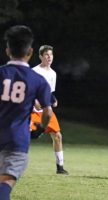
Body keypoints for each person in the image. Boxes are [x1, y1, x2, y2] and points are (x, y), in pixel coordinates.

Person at [0, 25, 52, 200]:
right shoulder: (37, 80)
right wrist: (41, 128)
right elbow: (47, 112)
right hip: (17, 140)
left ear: (8, 50)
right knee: (5, 185)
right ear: (30, 52)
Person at [30, 45, 69, 175]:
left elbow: (49, 91)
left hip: (47, 111)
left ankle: (60, 167)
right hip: (32, 111)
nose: (49, 57)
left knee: (57, 136)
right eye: (46, 55)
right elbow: (29, 90)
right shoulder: (34, 71)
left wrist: (53, 99)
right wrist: (34, 101)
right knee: (22, 136)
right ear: (40, 56)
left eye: (51, 55)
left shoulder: (53, 73)